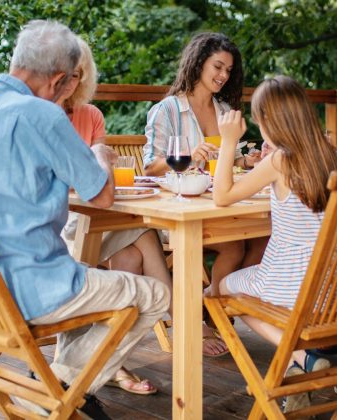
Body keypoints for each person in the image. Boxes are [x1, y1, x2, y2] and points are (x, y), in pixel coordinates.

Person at [0, 21, 169, 419]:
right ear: (60, 80)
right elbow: (102, 194)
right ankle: (55, 393)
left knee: (87, 275)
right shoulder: (42, 115)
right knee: (155, 295)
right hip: (32, 290)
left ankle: (54, 388)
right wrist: (99, 154)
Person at [211, 75, 337, 413]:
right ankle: (295, 369)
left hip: (293, 287)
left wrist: (228, 142)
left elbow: (222, 196)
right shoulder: (333, 157)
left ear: (269, 121)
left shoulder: (281, 160)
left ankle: (300, 357)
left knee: (218, 291)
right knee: (242, 283)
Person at [141, 32, 266, 357]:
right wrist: (186, 155)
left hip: (220, 205)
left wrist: (245, 159)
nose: (223, 76)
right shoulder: (167, 110)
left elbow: (226, 161)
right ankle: (213, 307)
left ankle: (215, 303)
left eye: (228, 70)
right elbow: (148, 168)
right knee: (235, 245)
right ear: (198, 64)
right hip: (179, 210)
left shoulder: (224, 109)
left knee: (263, 238)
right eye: (218, 66)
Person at [57, 37, 163, 396]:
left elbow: (99, 188)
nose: (73, 83)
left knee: (140, 238)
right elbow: (83, 183)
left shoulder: (92, 116)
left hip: (94, 217)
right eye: (69, 75)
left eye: (79, 75)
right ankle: (110, 359)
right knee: (137, 242)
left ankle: (111, 355)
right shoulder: (44, 116)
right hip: (65, 225)